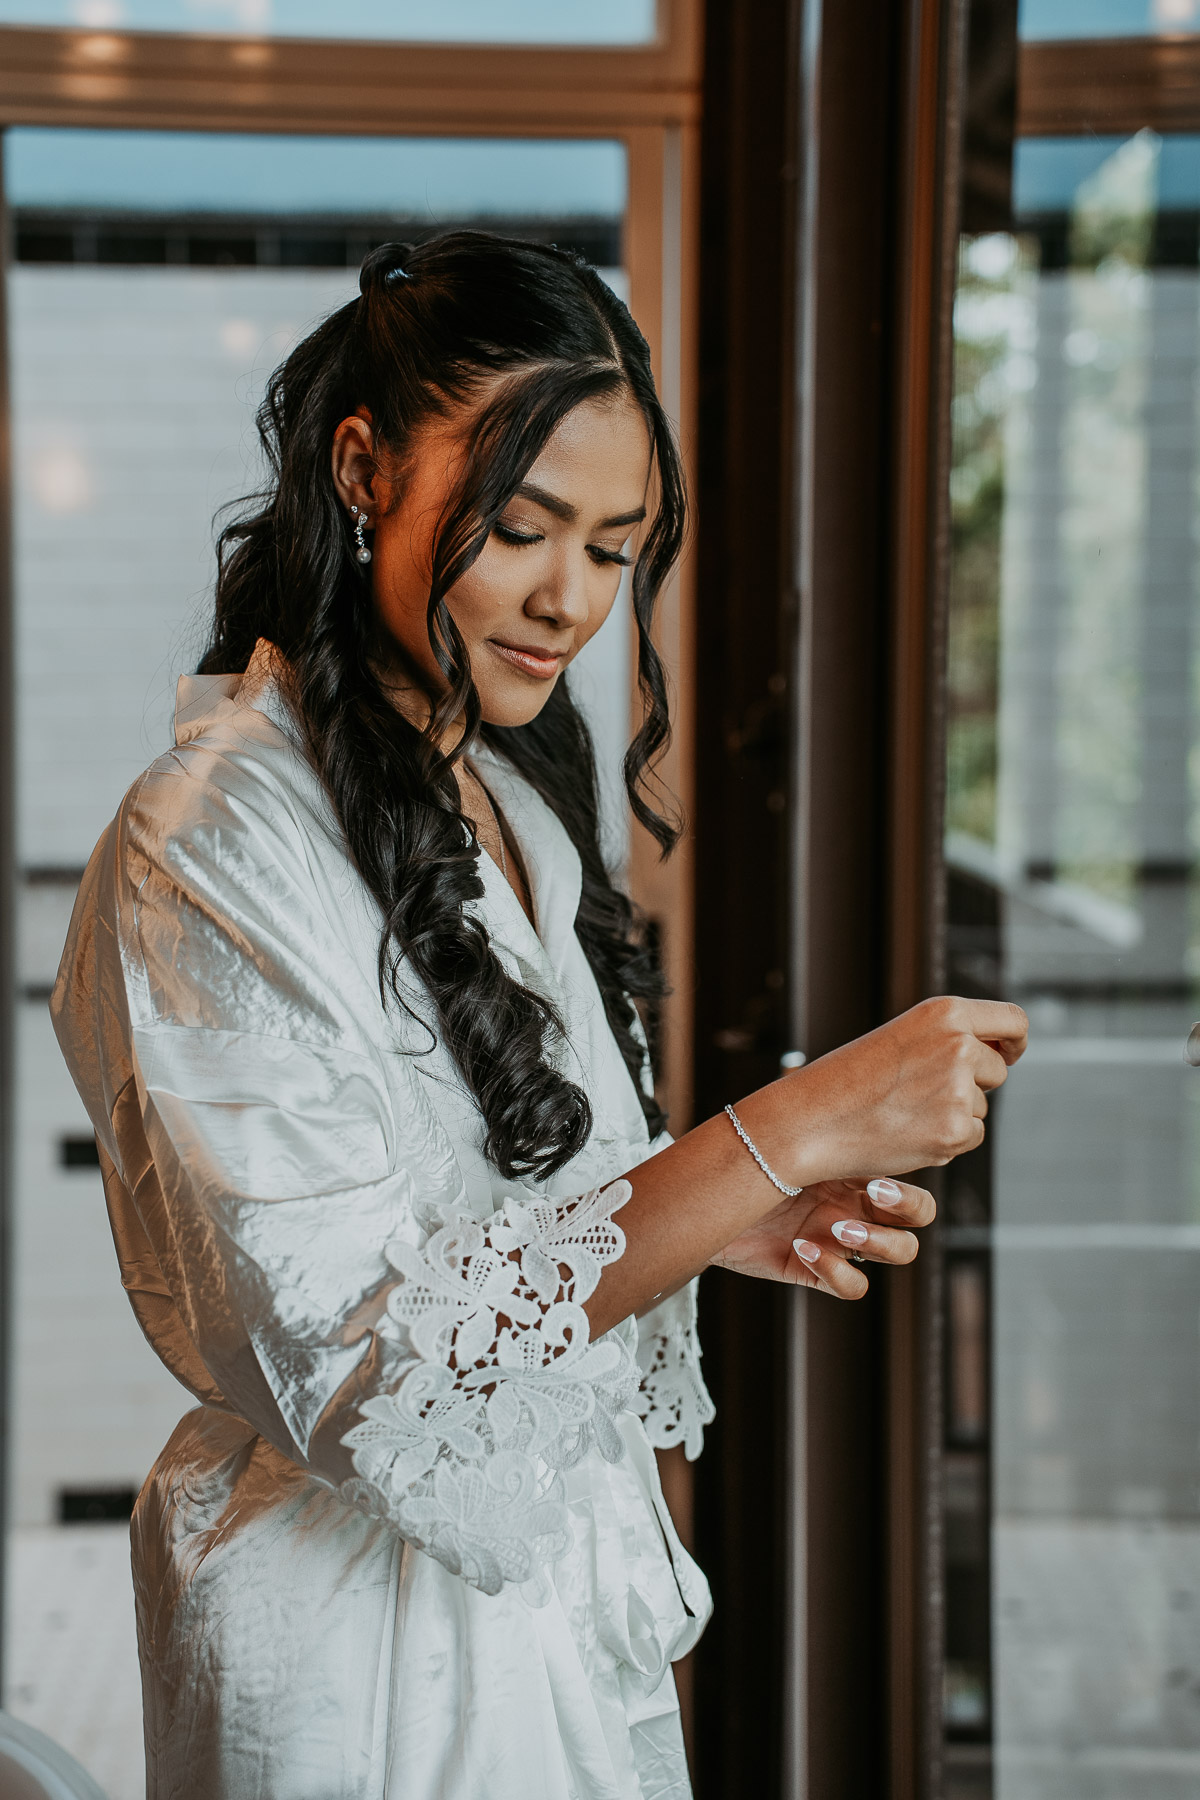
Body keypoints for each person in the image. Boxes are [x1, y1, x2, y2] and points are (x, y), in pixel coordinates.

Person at [52, 232, 1026, 1800]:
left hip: (549, 1621)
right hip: (356, 1652)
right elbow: (362, 1361)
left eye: (617, 548)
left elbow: (516, 1236)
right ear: (360, 466)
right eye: (522, 528)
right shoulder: (213, 835)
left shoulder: (517, 807)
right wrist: (771, 1137)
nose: (571, 600)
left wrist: (717, 1219)